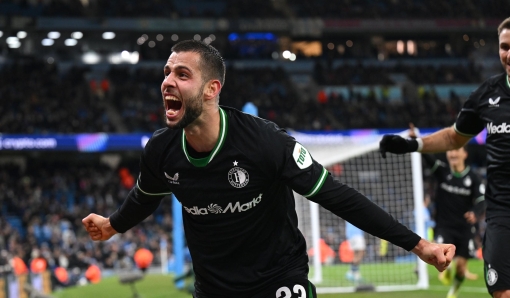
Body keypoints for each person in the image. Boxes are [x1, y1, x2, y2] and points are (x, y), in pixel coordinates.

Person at [82, 40, 455, 298]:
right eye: (166, 72)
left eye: (182, 74)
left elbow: (337, 196)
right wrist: (113, 225)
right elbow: (145, 197)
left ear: (212, 89)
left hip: (279, 279)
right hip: (214, 289)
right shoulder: (161, 150)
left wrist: (418, 244)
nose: (167, 81)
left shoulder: (264, 142)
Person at [379, 14, 510, 298]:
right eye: (504, 46)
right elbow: (453, 136)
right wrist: (414, 145)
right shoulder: (487, 94)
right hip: (504, 217)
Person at [409, 124, 485, 298]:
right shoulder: (442, 172)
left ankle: (454, 290)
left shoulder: (473, 178)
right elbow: (427, 157)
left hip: (465, 228)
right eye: (450, 151)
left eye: (456, 150)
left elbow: (481, 199)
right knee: (443, 257)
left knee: (461, 267)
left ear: (464, 154)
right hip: (444, 226)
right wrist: (417, 139)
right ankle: (446, 269)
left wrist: (475, 212)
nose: (452, 153)